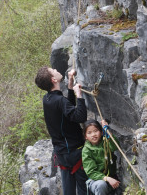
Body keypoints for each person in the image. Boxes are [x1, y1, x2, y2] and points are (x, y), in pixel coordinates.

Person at [35, 66, 88, 195]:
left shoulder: (47, 99)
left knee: (68, 191)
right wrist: (79, 96)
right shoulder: (59, 100)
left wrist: (70, 85)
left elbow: (67, 110)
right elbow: (79, 117)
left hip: (61, 153)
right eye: (54, 70)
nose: (56, 69)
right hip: (74, 152)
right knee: (83, 188)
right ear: (54, 79)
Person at [82, 119, 120, 195]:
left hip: (112, 177)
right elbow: (91, 172)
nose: (93, 134)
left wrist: (108, 134)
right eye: (89, 133)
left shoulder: (105, 142)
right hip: (96, 180)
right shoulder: (86, 150)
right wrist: (107, 178)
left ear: (101, 132)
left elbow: (115, 146)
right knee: (101, 185)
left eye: (96, 131)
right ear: (85, 136)